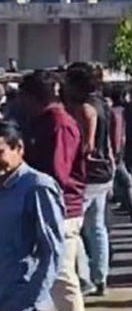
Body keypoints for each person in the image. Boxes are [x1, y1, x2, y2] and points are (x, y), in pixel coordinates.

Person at [19, 70, 86, 311]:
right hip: (43, 206)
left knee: (61, 275)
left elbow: (57, 173)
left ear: (34, 96)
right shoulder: (40, 122)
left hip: (61, 210)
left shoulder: (60, 124)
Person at [0, 121, 65, 311]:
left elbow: (52, 250)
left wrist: (30, 298)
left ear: (19, 148)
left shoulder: (37, 187)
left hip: (22, 300)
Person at [65, 64, 115, 297]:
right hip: (103, 172)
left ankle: (85, 277)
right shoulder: (104, 104)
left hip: (88, 175)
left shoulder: (85, 109)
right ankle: (100, 276)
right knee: (96, 227)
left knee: (74, 227)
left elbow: (87, 146)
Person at [108, 88, 132, 220]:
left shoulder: (114, 112)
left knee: (124, 180)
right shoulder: (121, 112)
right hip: (121, 150)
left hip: (116, 151)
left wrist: (115, 150)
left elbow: (116, 134)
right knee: (125, 180)